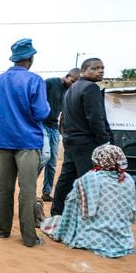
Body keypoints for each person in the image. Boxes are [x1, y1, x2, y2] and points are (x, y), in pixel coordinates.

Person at [0, 38, 50, 247]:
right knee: (28, 190)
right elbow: (41, 112)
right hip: (28, 142)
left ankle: (2, 229)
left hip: (4, 142)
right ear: (30, 58)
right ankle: (29, 237)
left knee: (4, 189)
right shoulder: (35, 80)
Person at [48, 145, 136, 258]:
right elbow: (132, 212)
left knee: (57, 219)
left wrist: (62, 230)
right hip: (124, 241)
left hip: (90, 239)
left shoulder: (90, 178)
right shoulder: (128, 179)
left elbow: (71, 205)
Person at [50, 58, 113, 216]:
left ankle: (57, 213)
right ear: (84, 71)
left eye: (102, 68)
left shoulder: (71, 89)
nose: (100, 71)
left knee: (66, 178)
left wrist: (66, 135)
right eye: (95, 68)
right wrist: (104, 141)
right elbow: (96, 118)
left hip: (71, 141)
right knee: (88, 182)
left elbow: (64, 118)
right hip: (86, 143)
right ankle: (88, 217)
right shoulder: (91, 88)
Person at [41, 68, 81, 202]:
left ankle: (46, 192)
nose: (73, 84)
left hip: (54, 127)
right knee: (45, 156)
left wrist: (63, 132)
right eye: (73, 81)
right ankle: (28, 183)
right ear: (67, 76)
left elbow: (64, 113)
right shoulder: (50, 83)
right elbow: (37, 100)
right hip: (41, 124)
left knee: (52, 162)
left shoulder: (69, 91)